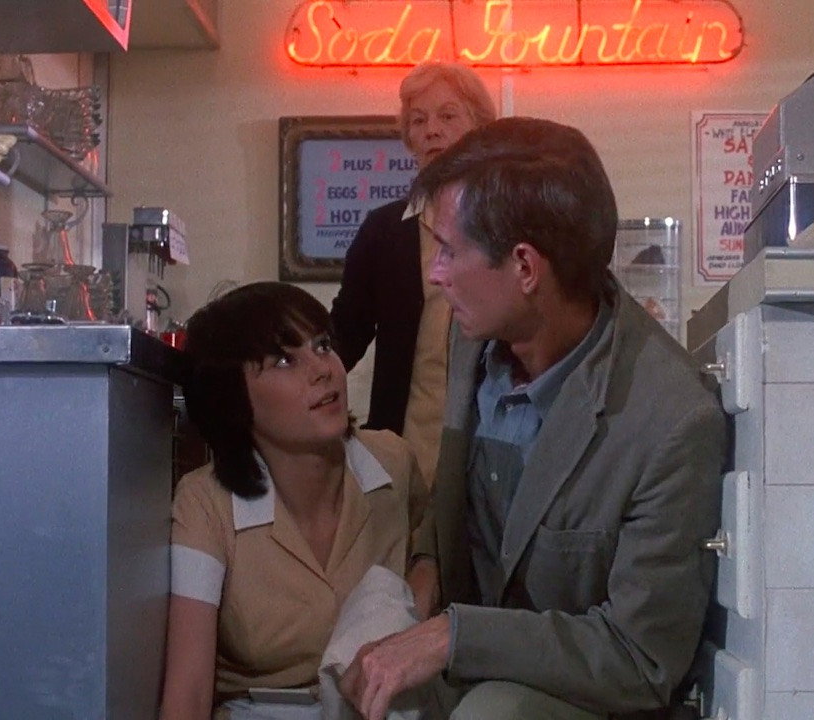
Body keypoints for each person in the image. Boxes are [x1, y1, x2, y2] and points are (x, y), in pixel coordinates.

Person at [338, 118, 729, 720]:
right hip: (474, 669)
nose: (435, 273)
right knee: (353, 678)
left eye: (449, 250)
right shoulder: (473, 336)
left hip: (590, 700)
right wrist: (422, 573)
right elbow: (463, 514)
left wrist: (454, 637)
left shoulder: (672, 420)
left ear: (524, 267)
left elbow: (640, 660)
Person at [160, 281, 428, 720]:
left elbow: (434, 553)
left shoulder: (393, 464)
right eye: (284, 360)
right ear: (235, 399)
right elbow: (187, 695)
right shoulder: (205, 504)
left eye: (322, 346)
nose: (322, 369)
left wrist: (410, 618)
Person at [330, 61, 498, 490]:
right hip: (402, 453)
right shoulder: (383, 230)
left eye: (448, 116)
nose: (431, 131)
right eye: (418, 121)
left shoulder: (507, 222)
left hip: (490, 453)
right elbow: (344, 334)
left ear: (479, 127)